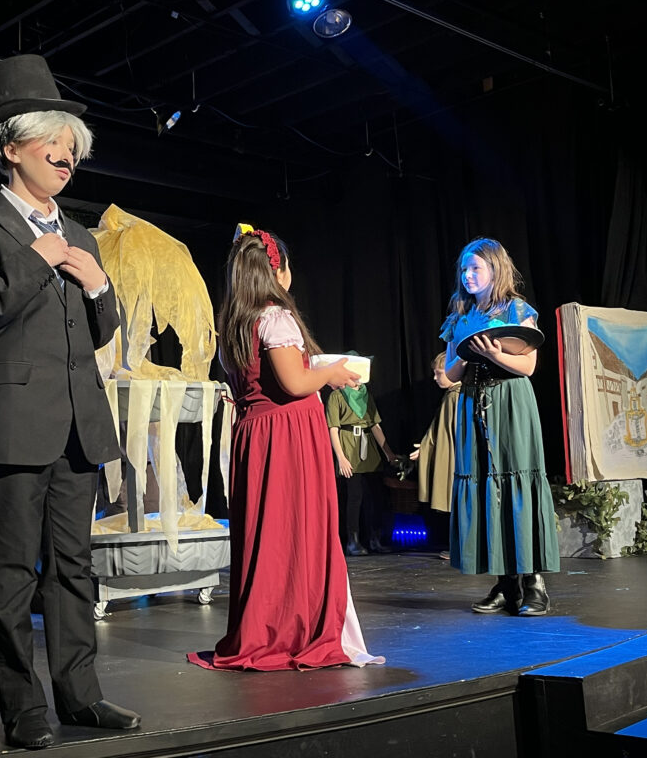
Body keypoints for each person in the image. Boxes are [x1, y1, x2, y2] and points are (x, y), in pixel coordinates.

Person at [0, 54, 139, 750]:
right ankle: (22, 709)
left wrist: (98, 287)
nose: (66, 154)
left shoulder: (81, 234)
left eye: (72, 145)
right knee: (10, 574)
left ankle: (80, 697)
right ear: (11, 148)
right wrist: (38, 258)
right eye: (52, 141)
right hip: (9, 427)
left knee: (74, 568)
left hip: (79, 425)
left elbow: (98, 331)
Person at [187, 228, 384, 671]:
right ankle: (295, 627)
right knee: (296, 531)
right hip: (286, 435)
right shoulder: (274, 317)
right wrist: (331, 373)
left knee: (270, 532)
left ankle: (270, 622)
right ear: (277, 273)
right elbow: (294, 384)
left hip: (258, 434)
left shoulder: (235, 322)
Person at [440, 237, 559, 616]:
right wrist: (465, 355)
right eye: (464, 269)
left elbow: (528, 366)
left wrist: (495, 354)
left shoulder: (516, 308)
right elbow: (449, 374)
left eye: (475, 267)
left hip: (510, 401)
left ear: (495, 269)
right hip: (473, 402)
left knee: (517, 481)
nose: (468, 275)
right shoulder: (460, 316)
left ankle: (534, 582)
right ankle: (506, 585)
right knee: (486, 486)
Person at [325, 375, 399, 555]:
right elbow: (333, 428)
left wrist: (388, 453)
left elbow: (375, 425)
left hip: (368, 447)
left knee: (374, 496)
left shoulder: (366, 395)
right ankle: (353, 541)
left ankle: (375, 538)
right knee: (354, 496)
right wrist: (341, 457)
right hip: (349, 446)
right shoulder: (337, 396)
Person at [410, 351, 461, 560]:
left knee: (458, 502)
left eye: (438, 373)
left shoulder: (456, 396)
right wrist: (426, 447)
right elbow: (439, 429)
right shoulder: (451, 396)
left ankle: (461, 549)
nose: (434, 378)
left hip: (457, 460)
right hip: (453, 457)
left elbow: (453, 431)